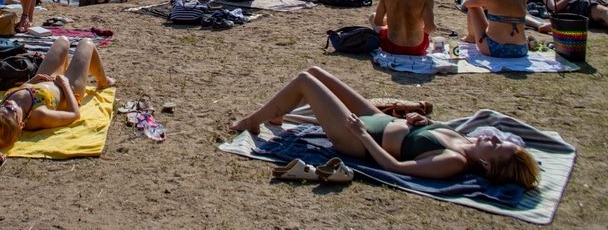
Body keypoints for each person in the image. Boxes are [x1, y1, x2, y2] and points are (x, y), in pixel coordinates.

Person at [230, 67, 539, 189]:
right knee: (314, 72)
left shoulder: (454, 161)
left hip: (359, 139)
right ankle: (278, 116)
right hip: (378, 118)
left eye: (496, 146)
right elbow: (421, 136)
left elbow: (396, 167)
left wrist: (362, 135)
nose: (494, 138)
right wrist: (423, 123)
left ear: (486, 163)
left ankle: (250, 122)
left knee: (303, 81)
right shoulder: (464, 140)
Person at [0, 36, 114, 149]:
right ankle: (103, 81)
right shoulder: (38, 115)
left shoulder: (1, 113)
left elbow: (16, 96)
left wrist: (32, 82)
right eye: (10, 108)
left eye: (2, 106)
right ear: (21, 124)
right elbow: (74, 114)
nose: (9, 103)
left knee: (62, 41)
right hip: (68, 89)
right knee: (87, 43)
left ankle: (67, 70)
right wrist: (66, 85)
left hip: (42, 82)